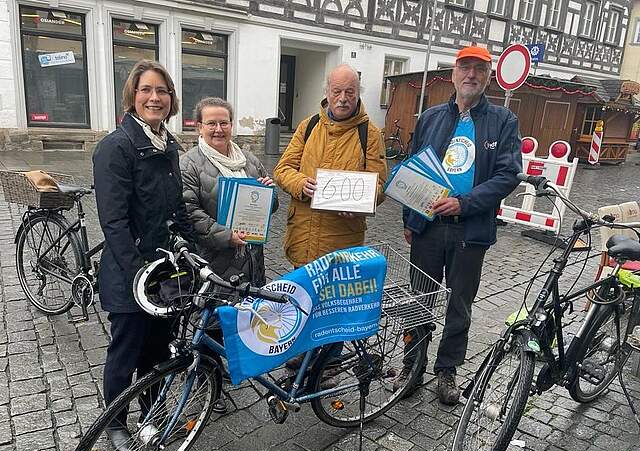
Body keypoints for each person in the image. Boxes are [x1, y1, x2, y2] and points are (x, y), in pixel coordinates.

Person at [400, 46, 521, 404]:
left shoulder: (502, 121)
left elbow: (507, 174)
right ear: (453, 74)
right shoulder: (431, 117)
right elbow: (413, 169)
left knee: (460, 303)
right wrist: (411, 219)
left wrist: (464, 203)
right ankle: (412, 365)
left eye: (479, 70)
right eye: (465, 68)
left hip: (470, 230)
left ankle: (447, 371)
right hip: (429, 226)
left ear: (488, 76)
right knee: (419, 299)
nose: (471, 75)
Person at [93, 60, 194, 451]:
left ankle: (152, 417)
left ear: (171, 100)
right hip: (130, 273)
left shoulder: (167, 144)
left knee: (157, 350)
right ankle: (116, 423)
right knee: (126, 352)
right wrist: (142, 277)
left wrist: (191, 254)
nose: (155, 97)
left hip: (166, 272)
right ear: (132, 97)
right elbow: (113, 223)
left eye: (163, 91)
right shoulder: (116, 148)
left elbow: (177, 209)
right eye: (146, 90)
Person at [181, 97, 278, 410]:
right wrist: (225, 235)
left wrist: (269, 192)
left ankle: (231, 369)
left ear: (231, 125)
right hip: (215, 258)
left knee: (239, 316)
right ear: (199, 126)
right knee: (208, 319)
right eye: (211, 123)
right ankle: (207, 385)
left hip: (250, 258)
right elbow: (188, 211)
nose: (218, 129)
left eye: (224, 122)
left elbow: (269, 207)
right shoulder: (190, 162)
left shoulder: (248, 160)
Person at [273, 64, 388, 268]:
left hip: (342, 243)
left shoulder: (370, 134)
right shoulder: (308, 126)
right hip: (303, 238)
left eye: (349, 92)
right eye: (337, 91)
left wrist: (359, 204)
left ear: (358, 94)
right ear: (327, 92)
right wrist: (300, 184)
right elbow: (283, 170)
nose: (342, 98)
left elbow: (379, 185)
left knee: (336, 299)